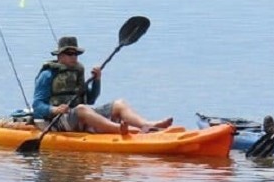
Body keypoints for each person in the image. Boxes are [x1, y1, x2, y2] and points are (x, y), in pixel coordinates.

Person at [33, 36, 173, 135]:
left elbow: (91, 99)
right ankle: (121, 129)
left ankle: (146, 125)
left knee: (120, 103)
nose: (74, 57)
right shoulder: (47, 75)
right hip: (57, 121)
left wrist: (97, 80)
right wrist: (55, 109)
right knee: (82, 109)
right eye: (70, 54)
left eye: (76, 53)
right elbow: (37, 105)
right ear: (60, 56)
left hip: (79, 116)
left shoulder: (76, 72)